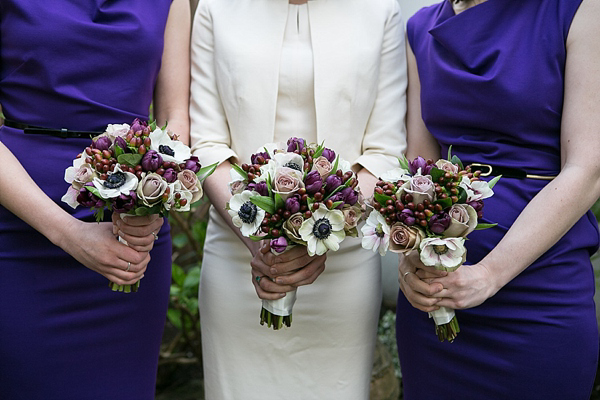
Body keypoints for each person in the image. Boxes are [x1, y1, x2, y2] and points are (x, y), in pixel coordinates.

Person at [189, 0, 407, 398]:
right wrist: (258, 238)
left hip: (344, 262)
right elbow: (206, 145)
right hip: (240, 258)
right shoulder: (215, 8)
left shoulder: (381, 10)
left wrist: (327, 229)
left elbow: (385, 151)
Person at [396, 0, 600, 399]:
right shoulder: (420, 28)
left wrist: (488, 275)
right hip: (436, 298)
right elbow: (420, 170)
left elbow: (587, 169)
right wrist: (409, 261)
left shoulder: (577, 9)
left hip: (539, 296)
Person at [0, 1, 190, 398]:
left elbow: (175, 116)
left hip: (133, 230)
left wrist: (152, 205)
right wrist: (69, 233)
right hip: (19, 229)